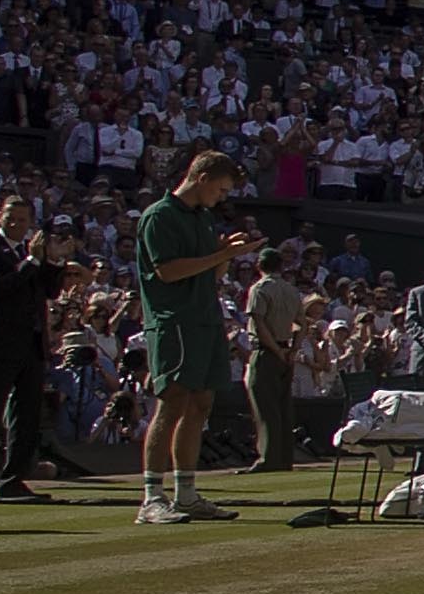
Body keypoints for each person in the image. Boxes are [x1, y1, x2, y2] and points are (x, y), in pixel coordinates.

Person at [126, 148, 248, 527]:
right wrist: (217, 256)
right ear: (203, 179)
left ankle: (186, 494)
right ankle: (152, 497)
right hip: (175, 322)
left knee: (201, 404)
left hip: (205, 319)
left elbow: (210, 273)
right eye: (220, 189)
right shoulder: (159, 216)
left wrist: (226, 253)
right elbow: (168, 271)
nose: (222, 197)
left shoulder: (203, 218)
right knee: (173, 402)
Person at [0, 194, 74, 495]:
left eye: (22, 219)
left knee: (26, 416)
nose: (16, 223)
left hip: (31, 343)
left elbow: (50, 291)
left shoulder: (33, 250)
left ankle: (13, 479)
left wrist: (54, 260)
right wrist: (32, 261)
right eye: (10, 218)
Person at [236, 239, 310, 473]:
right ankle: (284, 458)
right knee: (283, 407)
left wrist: (277, 352)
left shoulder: (259, 288)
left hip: (266, 352)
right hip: (286, 351)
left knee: (265, 408)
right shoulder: (291, 290)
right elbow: (303, 324)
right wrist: (293, 350)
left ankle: (268, 459)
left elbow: (259, 324)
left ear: (259, 266)